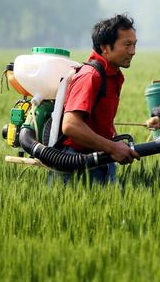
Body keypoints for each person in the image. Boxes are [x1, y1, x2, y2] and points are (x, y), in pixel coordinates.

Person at [56, 14, 140, 185]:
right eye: (127, 45)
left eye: (134, 44)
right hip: (78, 163)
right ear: (105, 48)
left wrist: (114, 140)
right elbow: (70, 125)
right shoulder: (91, 76)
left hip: (100, 157)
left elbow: (100, 118)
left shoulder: (114, 75)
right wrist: (113, 147)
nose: (133, 51)